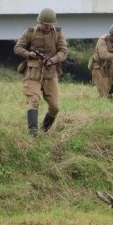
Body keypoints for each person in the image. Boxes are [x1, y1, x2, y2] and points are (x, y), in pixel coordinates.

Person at [13, 8, 68, 136]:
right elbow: (18, 48)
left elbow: (63, 51)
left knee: (55, 107)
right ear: (40, 22)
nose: (48, 27)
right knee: (34, 100)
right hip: (33, 72)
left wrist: (53, 60)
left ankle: (44, 130)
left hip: (50, 73)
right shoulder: (30, 32)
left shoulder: (58, 33)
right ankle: (33, 131)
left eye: (50, 24)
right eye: (45, 24)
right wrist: (29, 54)